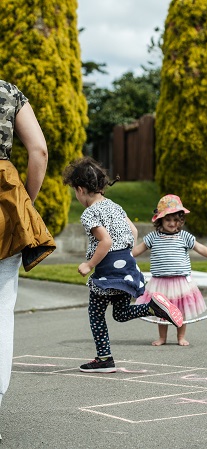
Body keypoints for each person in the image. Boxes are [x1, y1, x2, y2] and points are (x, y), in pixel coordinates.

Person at [62, 157, 183, 374]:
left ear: (80, 189)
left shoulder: (90, 213)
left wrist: (89, 264)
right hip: (126, 266)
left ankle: (104, 359)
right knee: (120, 312)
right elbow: (134, 232)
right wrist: (125, 257)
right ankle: (152, 307)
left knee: (96, 314)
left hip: (108, 271)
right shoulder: (115, 207)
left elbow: (105, 241)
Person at [0, 79, 55, 441]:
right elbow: (39, 151)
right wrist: (26, 205)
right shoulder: (7, 91)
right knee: (1, 309)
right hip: (4, 198)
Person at [133, 194, 207, 346]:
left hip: (180, 281)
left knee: (181, 310)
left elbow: (200, 247)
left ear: (181, 221)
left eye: (176, 220)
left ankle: (180, 337)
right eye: (168, 220)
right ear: (160, 220)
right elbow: (138, 249)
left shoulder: (184, 236)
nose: (172, 223)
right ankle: (162, 338)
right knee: (160, 309)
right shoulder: (153, 237)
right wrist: (124, 258)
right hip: (160, 281)